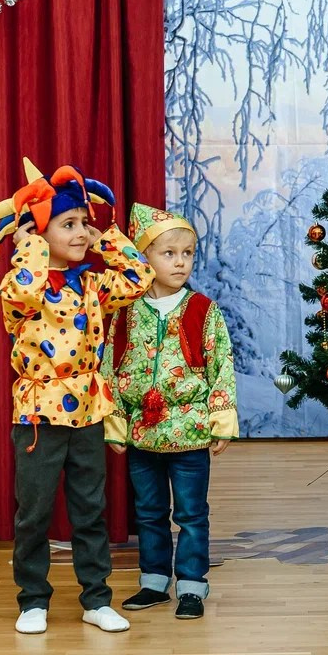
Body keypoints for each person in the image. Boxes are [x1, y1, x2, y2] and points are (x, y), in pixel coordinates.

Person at [0, 159, 154, 635]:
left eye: (84, 224)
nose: (80, 232)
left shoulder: (93, 284)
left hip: (88, 412)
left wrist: (105, 240)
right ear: (38, 233)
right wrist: (31, 246)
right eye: (69, 225)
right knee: (34, 512)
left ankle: (97, 599)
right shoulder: (21, 285)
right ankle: (33, 600)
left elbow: (139, 277)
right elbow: (23, 290)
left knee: (89, 510)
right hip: (37, 416)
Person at [102, 203, 239, 620]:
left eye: (188, 253)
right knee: (149, 512)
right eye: (169, 253)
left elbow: (221, 367)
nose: (180, 262)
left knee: (192, 514)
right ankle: (154, 582)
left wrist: (220, 420)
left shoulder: (203, 310)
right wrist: (116, 423)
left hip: (190, 434)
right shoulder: (125, 312)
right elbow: (111, 365)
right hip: (142, 435)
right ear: (144, 258)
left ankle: (193, 586)